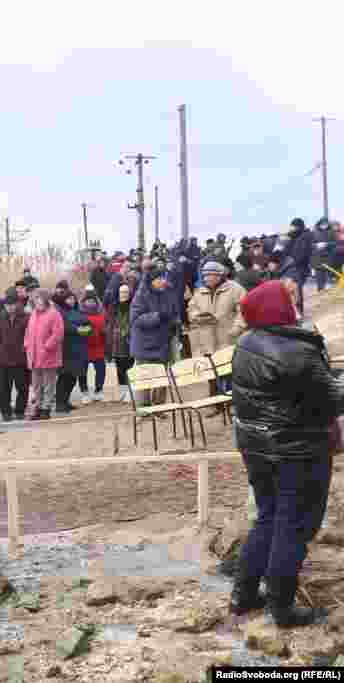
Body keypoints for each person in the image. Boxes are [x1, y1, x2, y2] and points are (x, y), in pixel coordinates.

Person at [230, 279, 344, 626]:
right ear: (277, 308)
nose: (294, 304)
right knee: (293, 525)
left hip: (257, 446)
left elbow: (293, 389)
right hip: (297, 450)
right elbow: (334, 398)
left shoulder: (247, 342)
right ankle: (282, 606)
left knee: (267, 516)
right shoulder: (297, 351)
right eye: (289, 299)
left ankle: (244, 595)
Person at [187, 261, 247, 395]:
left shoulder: (236, 289)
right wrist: (196, 316)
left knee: (230, 373)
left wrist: (236, 329)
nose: (206, 278)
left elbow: (243, 311)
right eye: (204, 275)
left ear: (220, 275)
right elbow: (191, 308)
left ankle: (232, 403)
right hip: (207, 339)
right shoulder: (199, 291)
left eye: (210, 275)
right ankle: (217, 405)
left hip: (228, 338)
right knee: (211, 373)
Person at [130, 266, 177, 409]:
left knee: (161, 377)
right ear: (151, 281)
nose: (163, 281)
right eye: (159, 278)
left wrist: (175, 322)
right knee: (145, 377)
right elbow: (136, 319)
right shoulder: (141, 295)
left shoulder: (168, 293)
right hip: (145, 344)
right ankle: (144, 408)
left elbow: (174, 313)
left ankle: (159, 407)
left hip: (163, 342)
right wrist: (157, 316)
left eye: (164, 278)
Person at [24, 289, 64, 421]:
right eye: (35, 299)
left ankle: (46, 408)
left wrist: (47, 346)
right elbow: (28, 332)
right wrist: (27, 344)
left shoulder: (54, 314)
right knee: (36, 385)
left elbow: (58, 334)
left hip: (48, 356)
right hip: (34, 356)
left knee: (48, 384)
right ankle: (38, 407)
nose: (37, 301)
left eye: (39, 298)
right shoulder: (33, 314)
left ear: (45, 299)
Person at [0, 289, 31, 420]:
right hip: (4, 359)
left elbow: (29, 336)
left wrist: (23, 349)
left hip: (20, 359)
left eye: (12, 304)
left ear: (17, 304)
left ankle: (20, 411)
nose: (10, 307)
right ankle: (6, 412)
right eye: (7, 305)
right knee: (4, 389)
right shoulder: (0, 317)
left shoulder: (25, 317)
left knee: (22, 387)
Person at [54, 290, 91, 415]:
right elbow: (64, 327)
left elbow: (87, 324)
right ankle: (60, 403)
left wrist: (83, 329)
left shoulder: (78, 311)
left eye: (73, 298)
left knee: (73, 377)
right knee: (64, 377)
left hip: (79, 349)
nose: (71, 301)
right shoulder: (59, 312)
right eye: (68, 299)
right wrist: (78, 328)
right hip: (66, 349)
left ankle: (65, 401)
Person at [105, 283, 135, 403]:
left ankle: (130, 391)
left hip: (129, 340)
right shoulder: (114, 306)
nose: (124, 295)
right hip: (116, 341)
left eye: (126, 292)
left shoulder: (133, 305)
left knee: (130, 365)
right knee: (120, 367)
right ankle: (123, 391)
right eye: (122, 292)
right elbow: (109, 323)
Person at [78, 292, 107, 404]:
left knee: (101, 370)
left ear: (96, 302)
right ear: (84, 302)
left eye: (92, 301)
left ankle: (98, 391)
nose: (90, 303)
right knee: (82, 371)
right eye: (88, 301)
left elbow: (104, 330)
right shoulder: (80, 314)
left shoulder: (101, 315)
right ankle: (84, 392)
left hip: (98, 347)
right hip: (83, 348)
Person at [282, 218, 314, 315]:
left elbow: (303, 254)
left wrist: (293, 261)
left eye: (294, 227)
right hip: (295, 267)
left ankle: (299, 312)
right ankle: (296, 311)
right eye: (292, 227)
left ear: (299, 227)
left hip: (300, 267)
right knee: (293, 290)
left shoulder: (305, 236)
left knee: (297, 290)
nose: (292, 229)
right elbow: (287, 250)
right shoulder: (294, 237)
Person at [311, 217, 335, 292]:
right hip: (317, 259)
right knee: (319, 281)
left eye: (326, 224)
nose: (324, 225)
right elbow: (310, 244)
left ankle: (327, 293)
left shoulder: (332, 232)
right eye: (323, 224)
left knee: (328, 280)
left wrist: (326, 244)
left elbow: (335, 243)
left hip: (328, 259)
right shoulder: (314, 232)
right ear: (319, 224)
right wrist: (316, 245)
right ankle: (320, 291)